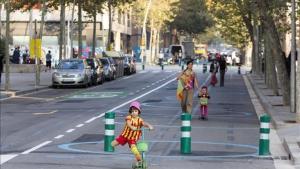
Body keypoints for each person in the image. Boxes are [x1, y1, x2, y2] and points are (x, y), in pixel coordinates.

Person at [111, 101, 154, 167]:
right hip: (125, 136)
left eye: (135, 111)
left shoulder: (140, 120)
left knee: (134, 149)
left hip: (132, 138)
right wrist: (131, 127)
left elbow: (144, 123)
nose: (134, 113)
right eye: (132, 111)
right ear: (130, 112)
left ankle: (139, 160)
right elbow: (128, 124)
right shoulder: (129, 117)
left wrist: (149, 126)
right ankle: (109, 146)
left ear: (138, 112)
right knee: (113, 144)